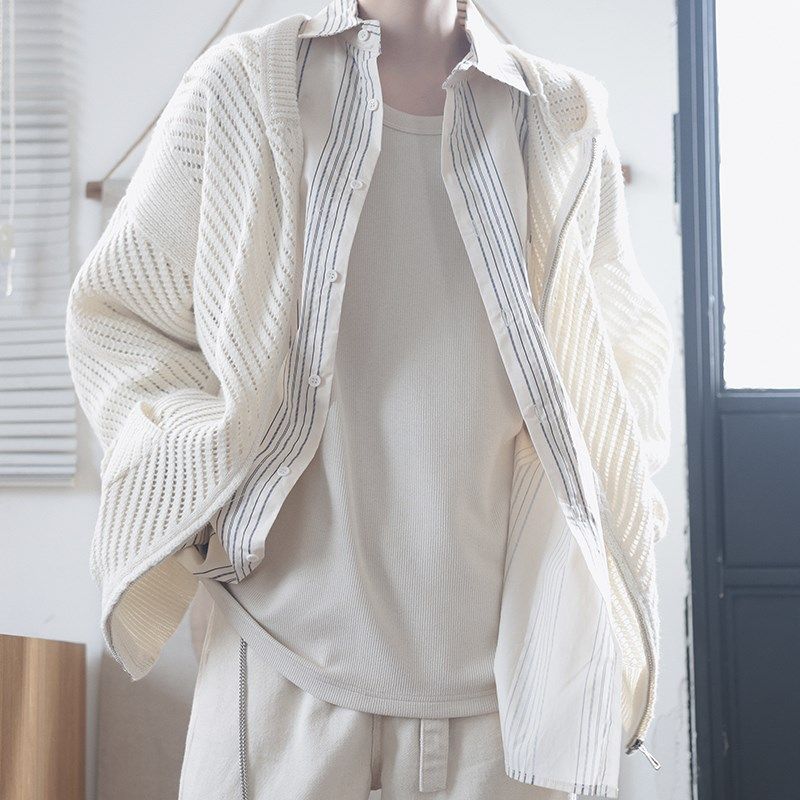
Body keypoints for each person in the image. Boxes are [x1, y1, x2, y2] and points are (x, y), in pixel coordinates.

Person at [65, 0, 674, 797]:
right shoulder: (243, 87)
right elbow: (118, 318)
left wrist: (609, 529)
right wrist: (213, 478)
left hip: (511, 676)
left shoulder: (562, 114)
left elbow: (625, 366)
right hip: (282, 655)